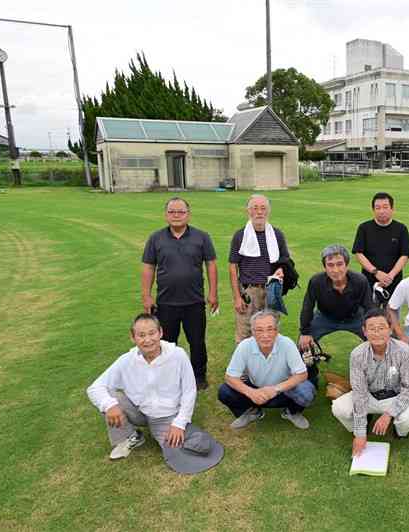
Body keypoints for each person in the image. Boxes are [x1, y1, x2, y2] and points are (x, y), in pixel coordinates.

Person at [87, 314, 219, 471]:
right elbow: (94, 387)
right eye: (141, 335)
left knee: (178, 449)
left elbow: (189, 391)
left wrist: (179, 423)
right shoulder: (126, 360)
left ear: (161, 332)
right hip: (139, 411)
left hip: (166, 417)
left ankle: (168, 431)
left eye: (152, 333)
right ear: (133, 337)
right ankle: (130, 436)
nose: (147, 340)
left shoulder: (178, 355)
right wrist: (109, 405)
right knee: (110, 396)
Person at [142, 197, 217, 390]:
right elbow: (149, 267)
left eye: (181, 212)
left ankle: (199, 377)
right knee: (166, 344)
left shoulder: (202, 237)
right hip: (166, 302)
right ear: (166, 215)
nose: (176, 215)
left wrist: (213, 292)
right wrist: (147, 295)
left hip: (194, 301)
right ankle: (169, 377)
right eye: (172, 212)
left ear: (188, 214)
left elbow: (211, 264)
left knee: (197, 342)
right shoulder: (155, 238)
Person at [331, 308, 409, 456]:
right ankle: (361, 425)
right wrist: (360, 435)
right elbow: (359, 393)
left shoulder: (405, 351)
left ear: (390, 329)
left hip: (395, 396)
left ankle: (399, 431)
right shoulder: (357, 354)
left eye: (381, 328)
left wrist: (388, 414)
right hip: (368, 396)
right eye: (372, 329)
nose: (377, 333)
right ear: (364, 331)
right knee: (339, 408)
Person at [218, 310, 316, 430]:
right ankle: (252, 412)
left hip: (282, 389)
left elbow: (302, 374)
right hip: (255, 388)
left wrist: (275, 389)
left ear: (277, 330)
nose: (265, 335)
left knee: (306, 391)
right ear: (252, 332)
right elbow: (230, 377)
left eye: (270, 329)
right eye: (259, 330)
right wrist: (251, 392)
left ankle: (292, 412)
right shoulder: (244, 346)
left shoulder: (287, 344)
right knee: (224, 391)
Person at [229, 194, 291, 343]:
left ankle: (270, 365)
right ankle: (243, 366)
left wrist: (282, 269)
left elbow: (285, 261)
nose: (259, 212)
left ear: (268, 211)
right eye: (255, 208)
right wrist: (237, 297)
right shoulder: (240, 236)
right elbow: (232, 267)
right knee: (245, 334)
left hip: (272, 290)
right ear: (248, 211)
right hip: (249, 292)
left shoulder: (277, 235)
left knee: (271, 332)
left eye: (263, 208)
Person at [298, 245, 375, 352]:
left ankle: (374, 365)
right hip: (324, 317)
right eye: (330, 265)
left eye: (339, 264)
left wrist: (372, 329)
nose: (335, 270)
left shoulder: (360, 281)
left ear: (347, 265)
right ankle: (309, 367)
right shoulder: (316, 282)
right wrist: (305, 332)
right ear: (324, 267)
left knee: (377, 339)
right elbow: (308, 306)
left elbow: (369, 308)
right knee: (303, 344)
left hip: (355, 317)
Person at [352, 192, 409, 305]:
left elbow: (405, 255)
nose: (381, 211)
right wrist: (376, 272)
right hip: (369, 283)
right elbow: (359, 253)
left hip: (393, 283)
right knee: (370, 318)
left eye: (385, 207)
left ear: (392, 209)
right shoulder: (364, 228)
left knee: (391, 318)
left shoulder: (401, 229)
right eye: (377, 207)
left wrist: (390, 276)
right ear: (373, 210)